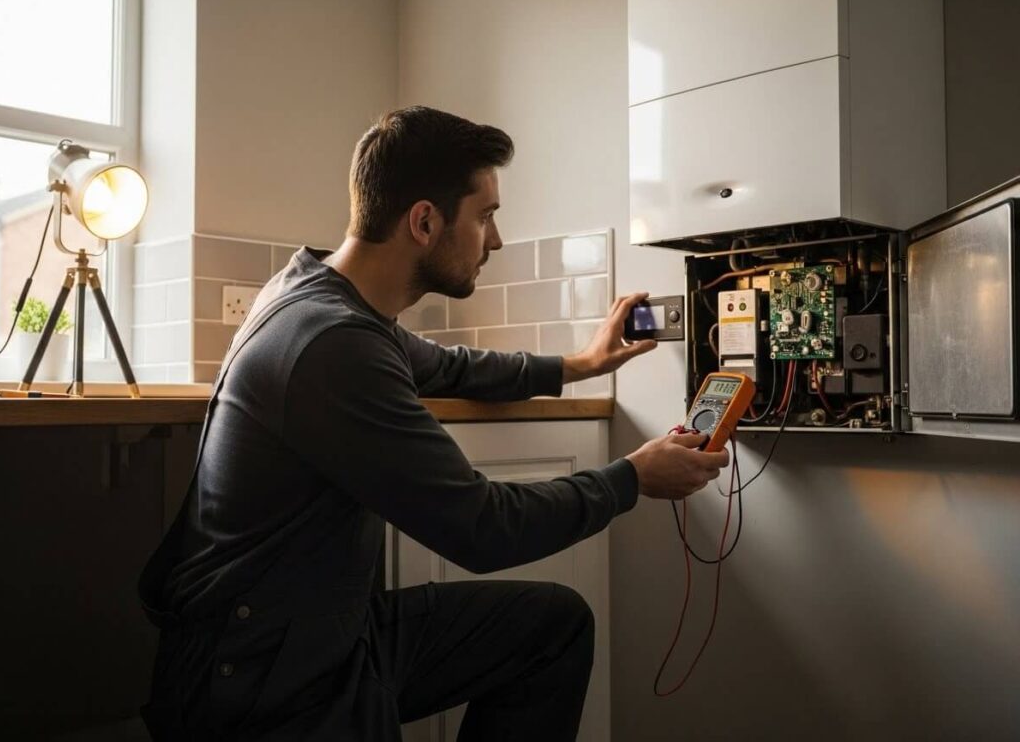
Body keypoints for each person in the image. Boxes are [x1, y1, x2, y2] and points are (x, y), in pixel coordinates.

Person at [138, 106, 730, 741]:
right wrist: (631, 479)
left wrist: (583, 363)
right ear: (424, 221)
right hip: (258, 674)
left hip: (315, 628)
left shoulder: (317, 293)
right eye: (485, 216)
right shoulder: (333, 344)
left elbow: (451, 367)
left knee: (551, 627)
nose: (495, 240)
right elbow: (482, 530)